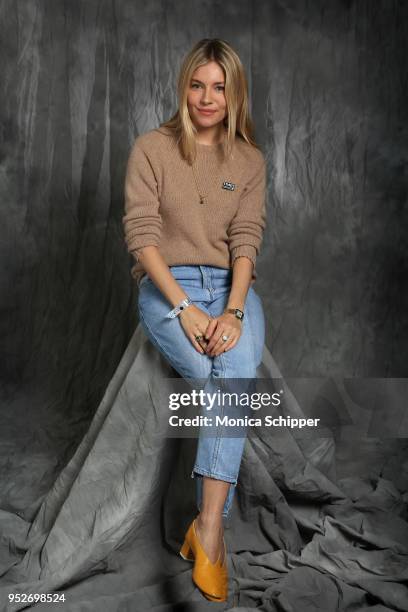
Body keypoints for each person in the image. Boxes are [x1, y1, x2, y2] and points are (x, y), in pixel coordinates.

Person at [122, 38, 267, 603]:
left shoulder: (250, 161)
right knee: (223, 383)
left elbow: (246, 241)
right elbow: (141, 236)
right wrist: (184, 308)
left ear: (234, 95)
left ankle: (207, 528)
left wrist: (232, 310)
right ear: (184, 87)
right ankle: (211, 533)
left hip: (230, 286)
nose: (207, 98)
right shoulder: (151, 149)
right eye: (197, 84)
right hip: (167, 286)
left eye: (219, 87)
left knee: (232, 371)